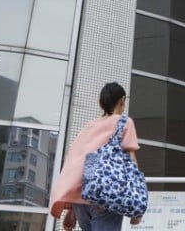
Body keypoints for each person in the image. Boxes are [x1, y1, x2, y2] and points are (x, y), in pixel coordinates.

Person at [50, 82, 143, 230]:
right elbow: (132, 162)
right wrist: (137, 203)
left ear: (101, 103)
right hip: (106, 196)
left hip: (81, 200)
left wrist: (71, 210)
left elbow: (78, 165)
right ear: (122, 100)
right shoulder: (125, 122)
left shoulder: (90, 126)